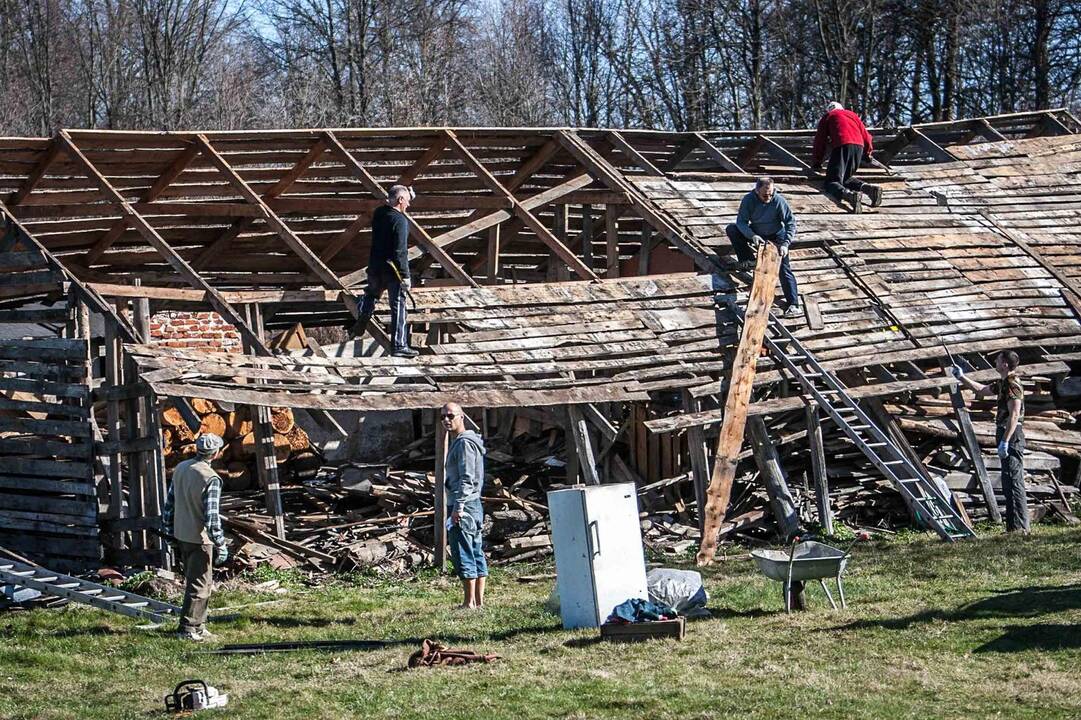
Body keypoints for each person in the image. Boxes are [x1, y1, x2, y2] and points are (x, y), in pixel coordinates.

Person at [952, 351, 1029, 533]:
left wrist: (1005, 441)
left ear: (1005, 364)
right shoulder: (1002, 383)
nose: (995, 361)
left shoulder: (1012, 384)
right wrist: (962, 377)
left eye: (998, 359)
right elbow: (981, 390)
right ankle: (1013, 527)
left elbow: (1015, 415)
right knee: (1008, 480)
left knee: (1014, 480)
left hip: (1012, 434)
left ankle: (1020, 527)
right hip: (1004, 432)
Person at [162, 433, 228, 641]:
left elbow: (169, 504)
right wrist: (221, 542)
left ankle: (199, 625)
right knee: (200, 585)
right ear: (216, 453)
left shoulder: (182, 468)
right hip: (200, 538)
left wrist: (168, 531)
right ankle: (188, 628)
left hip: (182, 533)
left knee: (196, 582)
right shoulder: (211, 478)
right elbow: (212, 516)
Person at [349, 184, 419, 358]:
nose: (408, 206)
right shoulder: (401, 221)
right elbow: (400, 251)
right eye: (407, 202)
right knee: (399, 306)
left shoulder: (379, 214)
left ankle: (364, 314)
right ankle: (399, 345)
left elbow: (391, 203)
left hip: (375, 266)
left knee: (371, 295)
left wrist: (406, 193)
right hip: (392, 270)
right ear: (400, 200)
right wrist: (405, 276)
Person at [724, 177, 801, 317]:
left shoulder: (778, 201)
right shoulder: (748, 200)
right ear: (757, 190)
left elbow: (790, 222)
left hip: (776, 234)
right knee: (732, 229)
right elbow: (741, 222)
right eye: (765, 195)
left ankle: (793, 304)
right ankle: (748, 259)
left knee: (783, 268)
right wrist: (752, 235)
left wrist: (785, 244)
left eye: (771, 194)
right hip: (757, 232)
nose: (768, 197)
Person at [441, 402, 488, 608]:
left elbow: (467, 477)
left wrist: (458, 508)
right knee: (475, 549)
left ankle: (469, 602)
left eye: (450, 416)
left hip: (465, 505)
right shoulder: (463, 442)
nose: (446, 420)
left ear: (462, 417)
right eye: (443, 416)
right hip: (471, 503)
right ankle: (478, 602)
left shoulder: (464, 443)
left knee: (464, 551)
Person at [810, 101, 882, 213]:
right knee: (845, 178)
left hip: (842, 145)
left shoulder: (828, 116)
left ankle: (849, 196)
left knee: (832, 181)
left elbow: (820, 141)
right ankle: (870, 189)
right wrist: (867, 153)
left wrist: (817, 162)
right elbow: (866, 136)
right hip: (859, 147)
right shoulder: (852, 115)